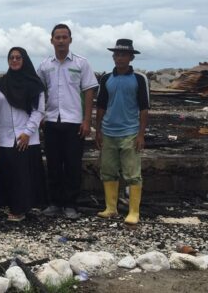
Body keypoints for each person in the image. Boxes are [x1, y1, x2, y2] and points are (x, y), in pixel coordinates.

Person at [37, 24, 98, 219]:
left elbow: (89, 91)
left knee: (72, 164)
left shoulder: (81, 63)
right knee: (53, 164)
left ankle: (71, 204)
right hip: (52, 121)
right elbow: (38, 92)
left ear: (70, 40)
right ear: (51, 40)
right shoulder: (45, 65)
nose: (61, 40)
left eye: (65, 37)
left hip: (74, 122)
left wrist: (87, 120)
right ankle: (55, 203)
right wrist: (40, 116)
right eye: (58, 37)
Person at [95, 39, 149, 226]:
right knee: (108, 170)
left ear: (131, 57)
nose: (119, 58)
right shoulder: (106, 78)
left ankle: (134, 211)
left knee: (132, 173)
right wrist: (98, 130)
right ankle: (111, 208)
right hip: (108, 132)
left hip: (130, 132)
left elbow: (144, 108)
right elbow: (101, 105)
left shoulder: (139, 79)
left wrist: (141, 134)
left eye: (123, 54)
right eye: (116, 54)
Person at [0, 47, 46, 221]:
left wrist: (28, 132)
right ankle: (13, 205)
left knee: (23, 174)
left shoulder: (34, 84)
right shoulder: (2, 84)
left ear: (25, 60)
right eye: (11, 58)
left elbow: (39, 111)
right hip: (6, 136)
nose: (14, 60)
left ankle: (20, 209)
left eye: (18, 58)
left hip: (25, 136)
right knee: (9, 173)